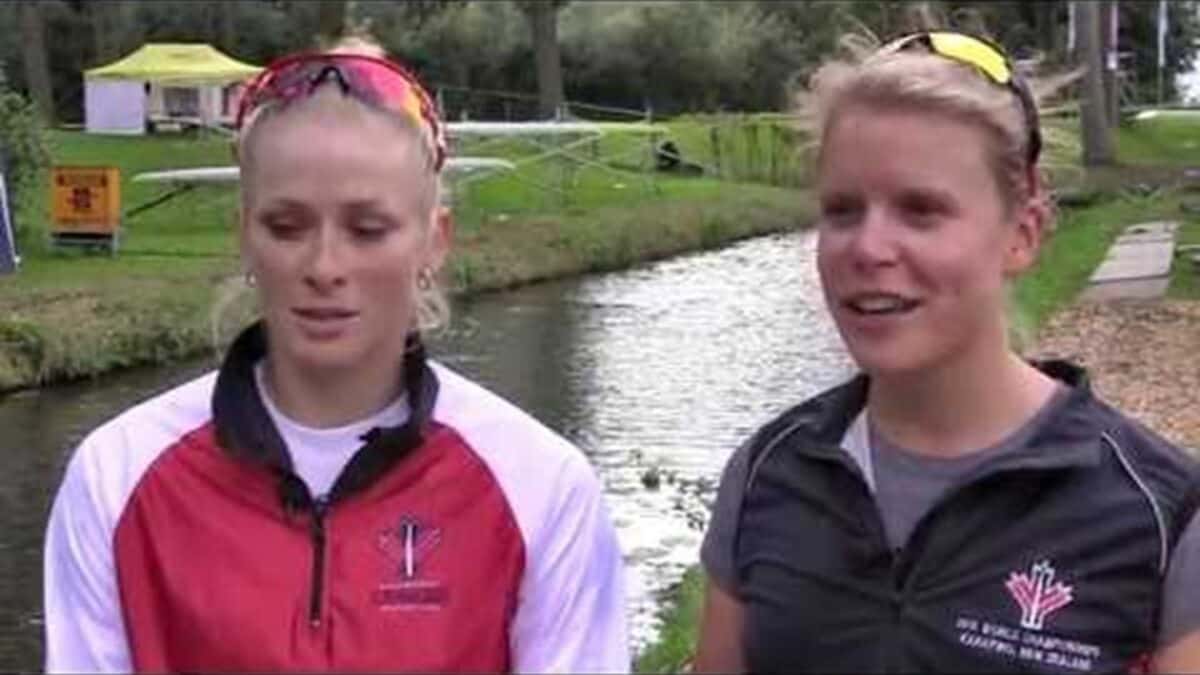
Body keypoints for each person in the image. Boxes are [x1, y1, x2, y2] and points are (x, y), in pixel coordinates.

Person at [43, 38, 629, 673]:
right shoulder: (114, 478)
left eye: (367, 229)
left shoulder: (544, 487)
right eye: (287, 227)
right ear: (244, 236)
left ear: (434, 242)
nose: (324, 267)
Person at [694, 31, 1200, 673]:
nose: (868, 248)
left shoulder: (1161, 515)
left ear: (1023, 233)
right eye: (843, 211)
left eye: (920, 210)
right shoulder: (769, 473)